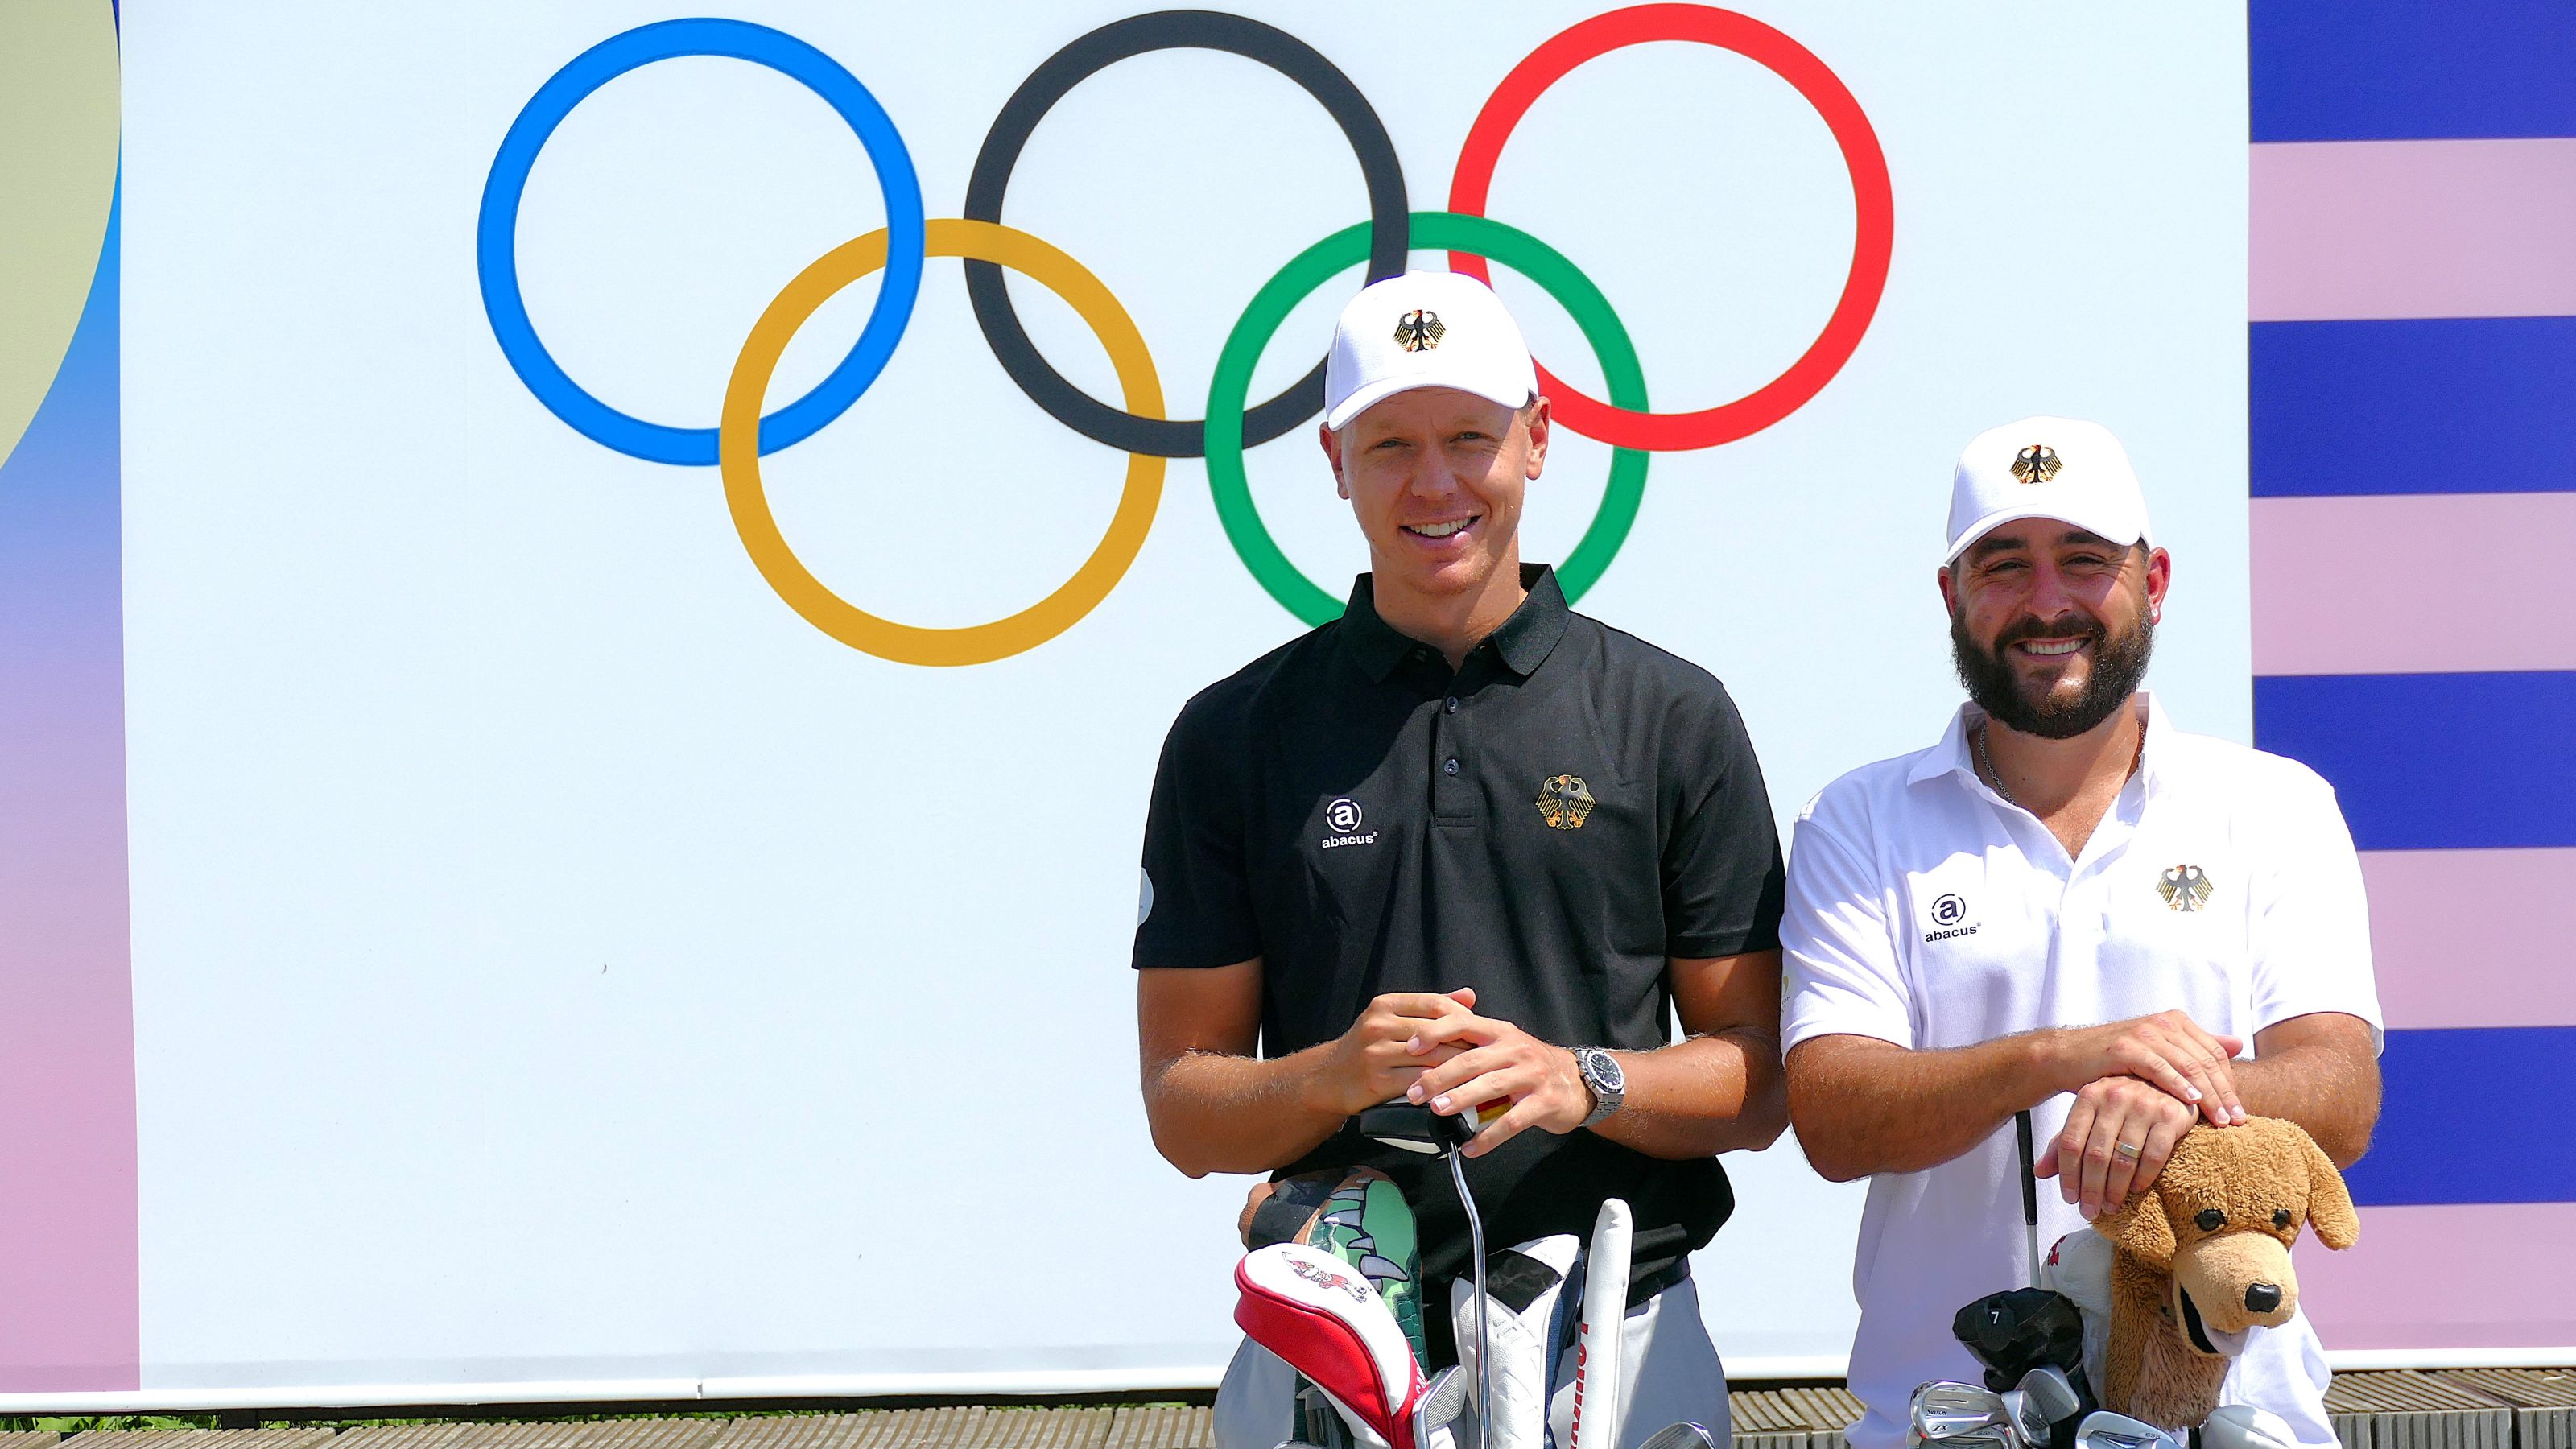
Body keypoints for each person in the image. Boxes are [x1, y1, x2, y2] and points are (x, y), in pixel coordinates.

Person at [1133, 270, 1789, 1447]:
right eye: (1390, 445)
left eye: (1470, 439)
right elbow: (1184, 1107)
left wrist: (1579, 1078)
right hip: (1331, 1336)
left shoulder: (1670, 715)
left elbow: (1761, 1078)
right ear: (1335, 460)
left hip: (1616, 1338)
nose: (1434, 483)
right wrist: (1339, 1073)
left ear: (1538, 442)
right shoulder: (1233, 733)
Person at [1778, 417, 2384, 1449]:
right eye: (2004, 566)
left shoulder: (2272, 804)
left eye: (2084, 563)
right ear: (1950, 596)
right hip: (1945, 1420)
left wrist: (2170, 1099)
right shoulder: (1860, 819)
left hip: (2235, 1420)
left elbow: (2341, 1095)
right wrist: (2060, 1060)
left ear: (2151, 581)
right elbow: (1834, 1120)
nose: (2046, 602)